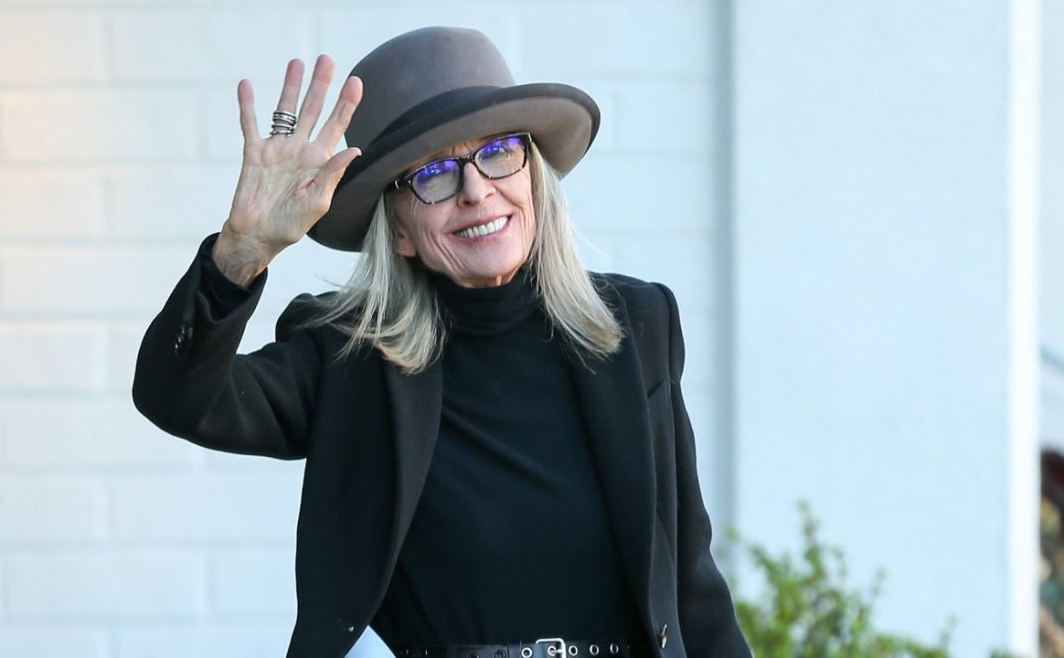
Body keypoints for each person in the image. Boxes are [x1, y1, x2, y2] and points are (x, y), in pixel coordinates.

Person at [133, 26, 751, 658]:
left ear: (533, 177)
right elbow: (178, 397)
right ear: (399, 229)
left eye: (499, 151)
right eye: (434, 174)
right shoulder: (348, 357)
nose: (476, 190)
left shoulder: (637, 327)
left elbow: (691, 584)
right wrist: (240, 252)